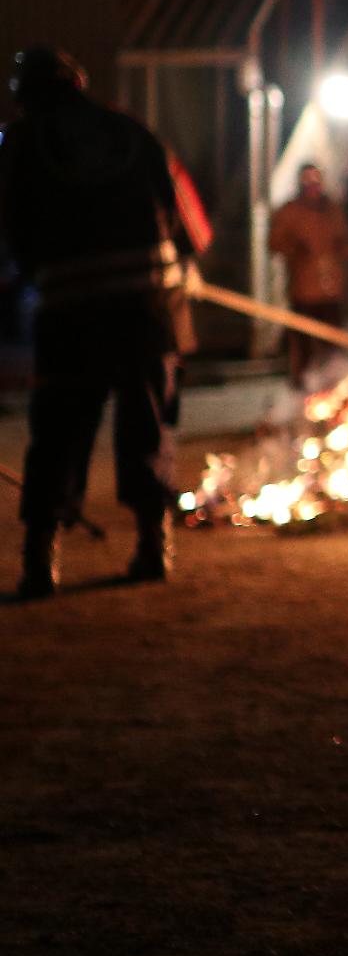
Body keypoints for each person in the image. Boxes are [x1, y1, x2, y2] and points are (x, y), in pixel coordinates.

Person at [1, 46, 209, 598]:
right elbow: (194, 225)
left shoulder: (21, 145)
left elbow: (9, 239)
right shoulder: (133, 132)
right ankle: (151, 547)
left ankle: (40, 563)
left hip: (68, 317)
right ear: (78, 82)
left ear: (26, 95)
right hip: (148, 314)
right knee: (148, 427)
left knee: (58, 435)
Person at [269, 161, 348, 389]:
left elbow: (343, 239)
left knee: (333, 339)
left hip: (330, 287)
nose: (313, 185)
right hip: (304, 288)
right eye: (308, 180)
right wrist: (296, 250)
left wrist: (341, 247)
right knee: (303, 340)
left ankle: (333, 382)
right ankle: (301, 383)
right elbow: (275, 242)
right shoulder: (290, 211)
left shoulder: (332, 210)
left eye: (316, 179)